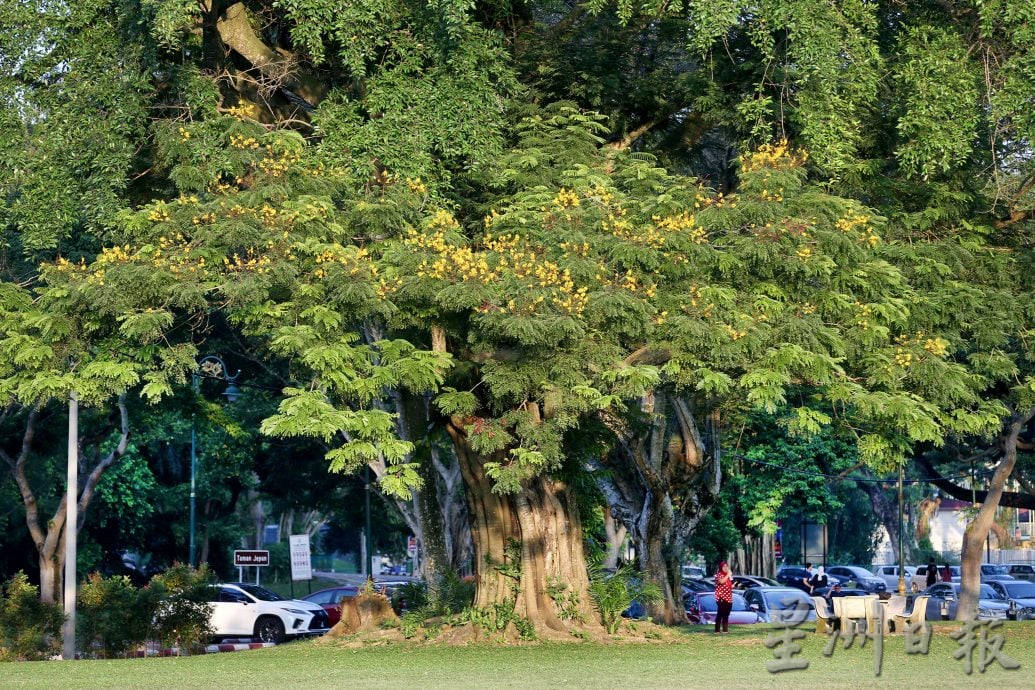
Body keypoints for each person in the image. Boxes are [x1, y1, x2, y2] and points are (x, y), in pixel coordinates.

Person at [714, 561, 733, 634]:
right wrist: (728, 574)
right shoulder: (718, 575)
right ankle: (717, 630)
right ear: (721, 568)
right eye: (724, 566)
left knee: (726, 615)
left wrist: (735, 585)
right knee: (720, 614)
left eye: (726, 566)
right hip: (721, 598)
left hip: (729, 598)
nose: (726, 568)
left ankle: (725, 630)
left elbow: (729, 586)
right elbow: (721, 582)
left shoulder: (728, 576)